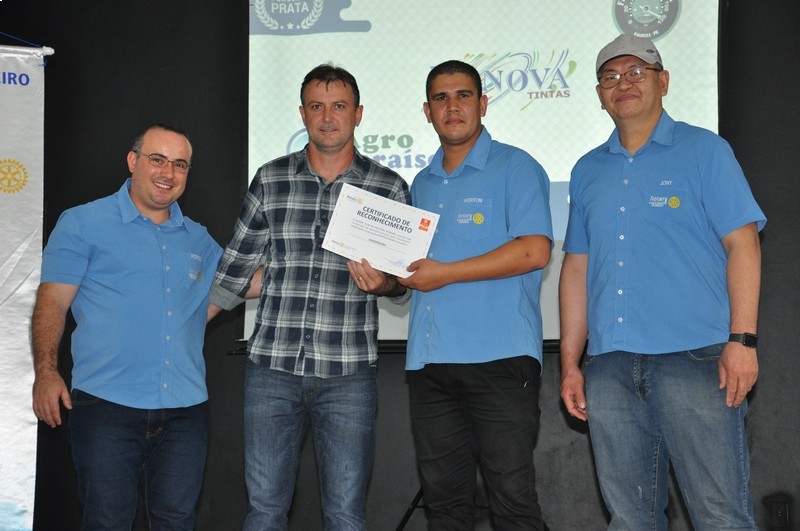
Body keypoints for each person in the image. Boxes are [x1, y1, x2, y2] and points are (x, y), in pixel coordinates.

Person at [559, 34, 765, 530]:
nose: (623, 84)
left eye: (636, 72)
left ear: (663, 81)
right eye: (610, 77)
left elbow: (743, 245)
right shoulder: (586, 170)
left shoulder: (705, 150)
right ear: (599, 94)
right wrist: (569, 364)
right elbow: (576, 269)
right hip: (610, 366)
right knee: (630, 520)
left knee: (720, 516)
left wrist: (742, 341)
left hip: (697, 361)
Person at [208, 64, 410, 530]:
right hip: (272, 369)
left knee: (345, 514)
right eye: (316, 106)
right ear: (302, 114)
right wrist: (180, 332)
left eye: (339, 106)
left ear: (358, 114)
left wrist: (384, 284)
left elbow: (403, 285)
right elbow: (234, 271)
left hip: (348, 374)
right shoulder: (271, 179)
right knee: (264, 511)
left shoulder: (387, 187)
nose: (327, 117)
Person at [31, 123, 222, 530]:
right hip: (106, 408)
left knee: (176, 522)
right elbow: (52, 303)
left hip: (186, 411)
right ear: (133, 161)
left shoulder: (199, 239)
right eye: (157, 159)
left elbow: (243, 283)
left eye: (180, 164)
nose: (168, 173)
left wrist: (322, 259)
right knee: (106, 523)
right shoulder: (82, 222)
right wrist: (46, 372)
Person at [396, 59, 553, 530]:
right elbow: (411, 271)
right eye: (441, 98)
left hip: (500, 360)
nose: (453, 107)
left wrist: (445, 274)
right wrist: (380, 276)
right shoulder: (420, 183)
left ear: (483, 103)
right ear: (427, 111)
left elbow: (534, 251)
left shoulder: (516, 166)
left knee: (512, 503)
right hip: (430, 364)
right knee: (445, 509)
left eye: (463, 95)